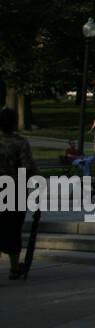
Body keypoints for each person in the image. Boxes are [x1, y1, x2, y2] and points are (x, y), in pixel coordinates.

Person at [1, 107, 39, 279]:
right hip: (14, 190)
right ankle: (15, 267)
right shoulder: (20, 143)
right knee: (13, 229)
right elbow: (28, 167)